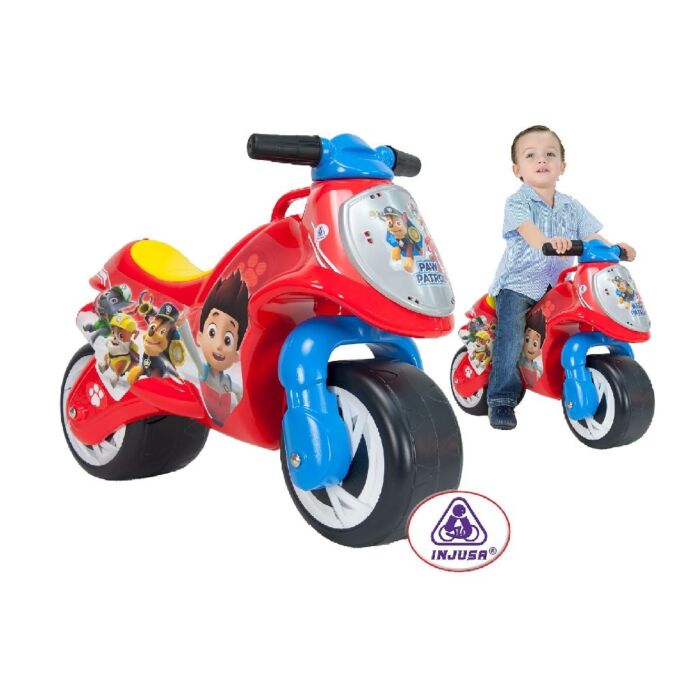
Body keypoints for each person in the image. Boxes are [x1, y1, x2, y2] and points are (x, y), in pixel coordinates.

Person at [487, 125, 637, 430]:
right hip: (519, 285)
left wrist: (614, 249)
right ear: (517, 169)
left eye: (550, 154)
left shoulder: (572, 206)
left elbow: (592, 237)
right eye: (531, 155)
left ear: (562, 166)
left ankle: (562, 370)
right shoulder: (517, 203)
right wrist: (547, 241)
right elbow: (530, 234)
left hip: (557, 287)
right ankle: (501, 398)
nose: (541, 160)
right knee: (512, 336)